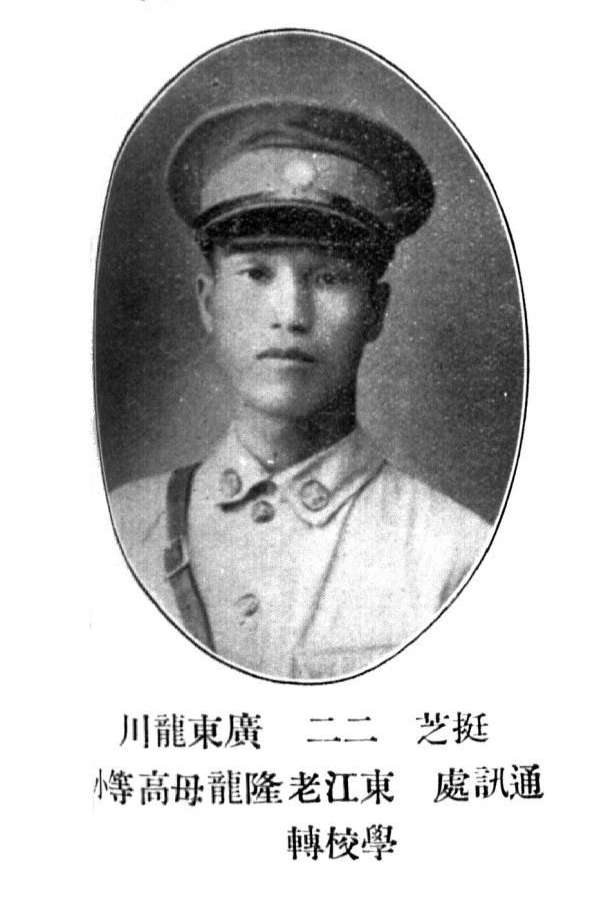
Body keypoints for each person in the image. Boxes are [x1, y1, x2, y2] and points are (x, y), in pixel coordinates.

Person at [110, 100, 491, 681]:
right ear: (209, 303)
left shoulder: (456, 556)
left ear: (375, 311)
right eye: (257, 273)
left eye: (330, 277)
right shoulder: (124, 526)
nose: (290, 314)